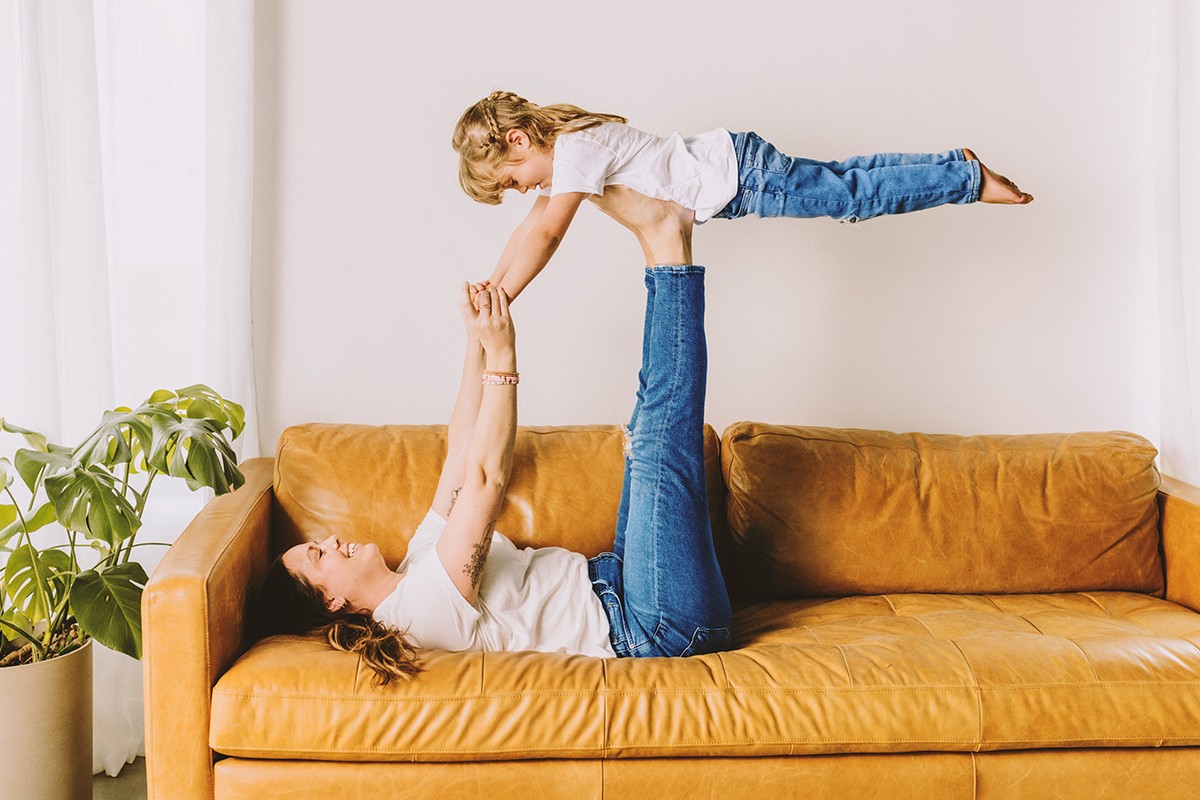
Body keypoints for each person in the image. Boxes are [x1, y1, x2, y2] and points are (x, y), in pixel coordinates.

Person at [258, 189, 731, 684]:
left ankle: (659, 238)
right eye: (318, 555)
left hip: (622, 581)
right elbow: (485, 479)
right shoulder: (416, 615)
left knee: (645, 431)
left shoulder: (418, 565)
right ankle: (667, 239)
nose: (331, 541)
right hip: (653, 627)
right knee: (660, 439)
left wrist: (474, 343)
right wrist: (503, 357)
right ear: (332, 602)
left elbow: (462, 450)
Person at [451, 90, 1034, 302]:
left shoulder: (575, 152)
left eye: (510, 179)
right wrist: (493, 286)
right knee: (845, 177)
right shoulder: (569, 156)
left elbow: (549, 233)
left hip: (741, 176)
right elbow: (529, 229)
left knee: (850, 194)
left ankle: (967, 182)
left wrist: (507, 297)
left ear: (520, 141)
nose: (521, 190)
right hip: (737, 162)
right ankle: (956, 166)